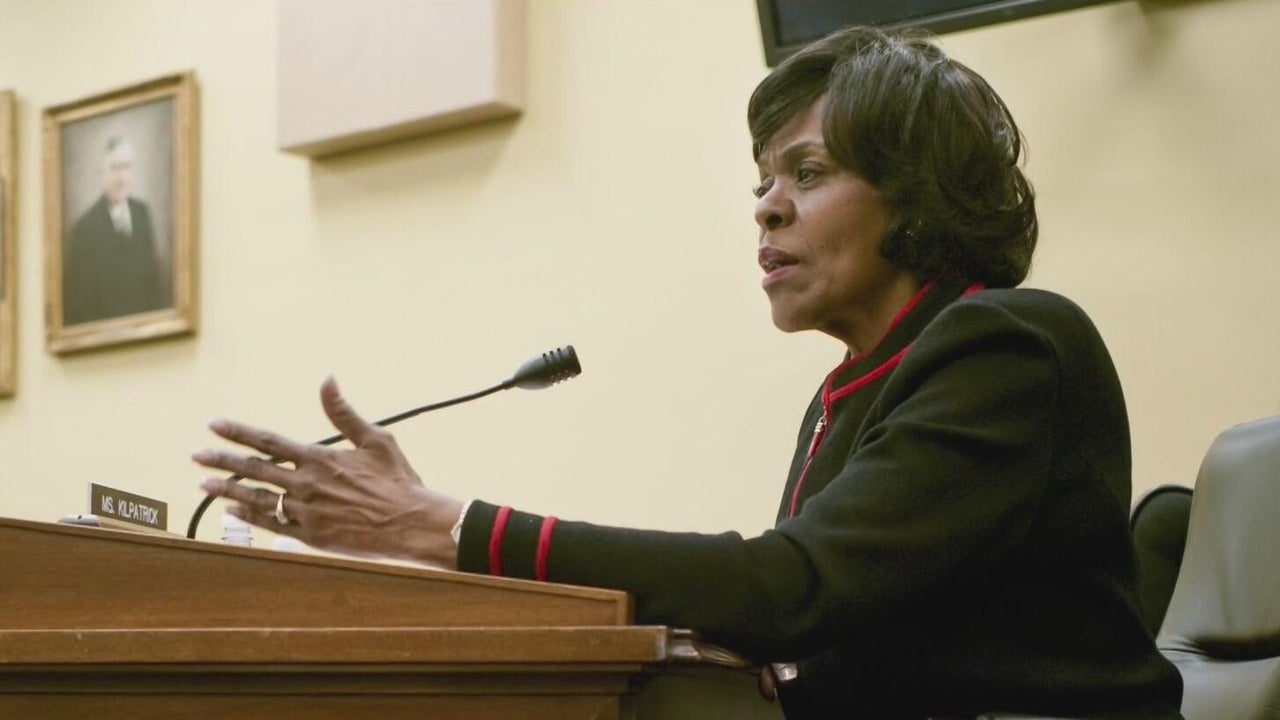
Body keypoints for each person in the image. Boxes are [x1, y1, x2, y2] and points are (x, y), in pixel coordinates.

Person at [194, 27, 1184, 719]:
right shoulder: (857, 383)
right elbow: (814, 613)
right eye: (761, 180)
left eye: (806, 173)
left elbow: (793, 587)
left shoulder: (1007, 344)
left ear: (917, 196)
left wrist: (441, 526)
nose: (765, 207)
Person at [62, 135, 169, 325]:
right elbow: (81, 307)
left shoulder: (142, 214)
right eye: (115, 168)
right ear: (101, 175)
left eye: (126, 167)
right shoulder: (85, 229)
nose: (122, 178)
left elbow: (154, 286)